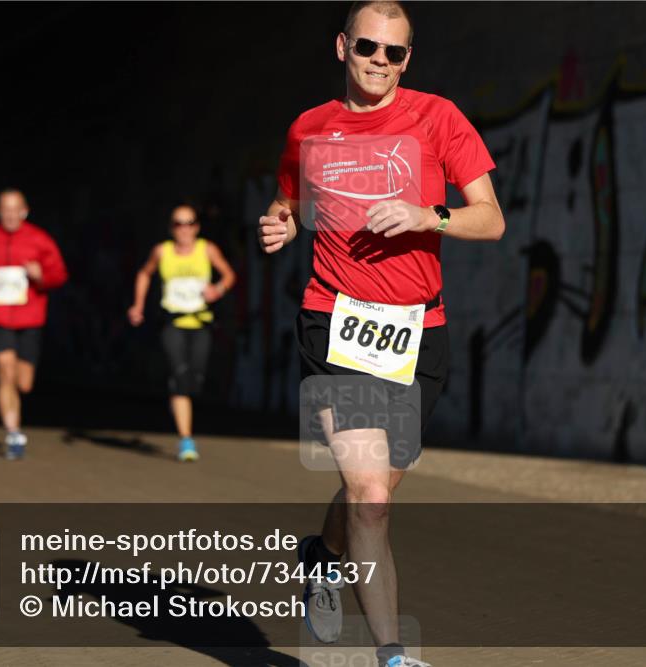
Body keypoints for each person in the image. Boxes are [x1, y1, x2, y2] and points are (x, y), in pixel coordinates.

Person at [258, 3, 505, 666]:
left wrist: (430, 216)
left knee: (374, 490)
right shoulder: (310, 128)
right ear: (343, 46)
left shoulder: (438, 118)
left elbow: (491, 219)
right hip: (335, 323)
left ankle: (323, 555)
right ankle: (394, 655)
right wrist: (280, 223)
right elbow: (289, 201)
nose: (379, 61)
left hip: (418, 334)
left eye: (394, 52)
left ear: (407, 59)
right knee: (369, 498)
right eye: (368, 46)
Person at [0, 189, 68, 460]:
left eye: (15, 209)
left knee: (24, 382)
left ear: (24, 211)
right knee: (4, 370)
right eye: (5, 210)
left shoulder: (39, 240)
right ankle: (14, 433)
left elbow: (59, 274)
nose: (10, 215)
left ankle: (15, 416)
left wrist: (41, 275)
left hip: (29, 318)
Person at [128, 203, 236, 462]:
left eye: (189, 223)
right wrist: (138, 305)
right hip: (172, 323)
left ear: (196, 227)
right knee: (180, 376)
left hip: (200, 323)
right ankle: (186, 439)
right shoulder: (162, 251)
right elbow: (144, 274)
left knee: (194, 379)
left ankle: (179, 398)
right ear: (171, 228)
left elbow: (229, 275)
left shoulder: (207, 249)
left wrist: (217, 290)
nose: (184, 229)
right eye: (178, 224)